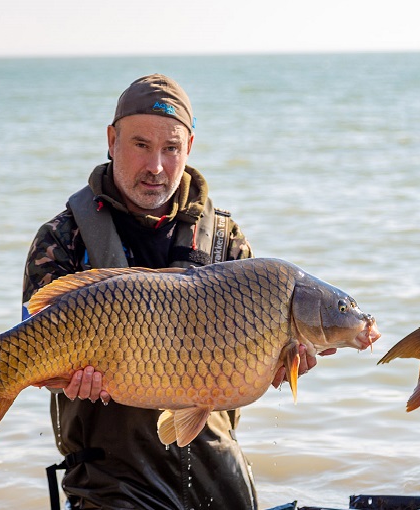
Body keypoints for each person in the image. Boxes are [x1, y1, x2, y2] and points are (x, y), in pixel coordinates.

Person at [23, 74, 328, 510]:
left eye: (170, 148)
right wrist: (64, 381)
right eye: (140, 145)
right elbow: (34, 348)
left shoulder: (225, 240)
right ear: (111, 140)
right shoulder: (62, 238)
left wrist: (287, 360)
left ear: (189, 147)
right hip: (110, 475)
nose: (156, 166)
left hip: (214, 459)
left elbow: (259, 356)